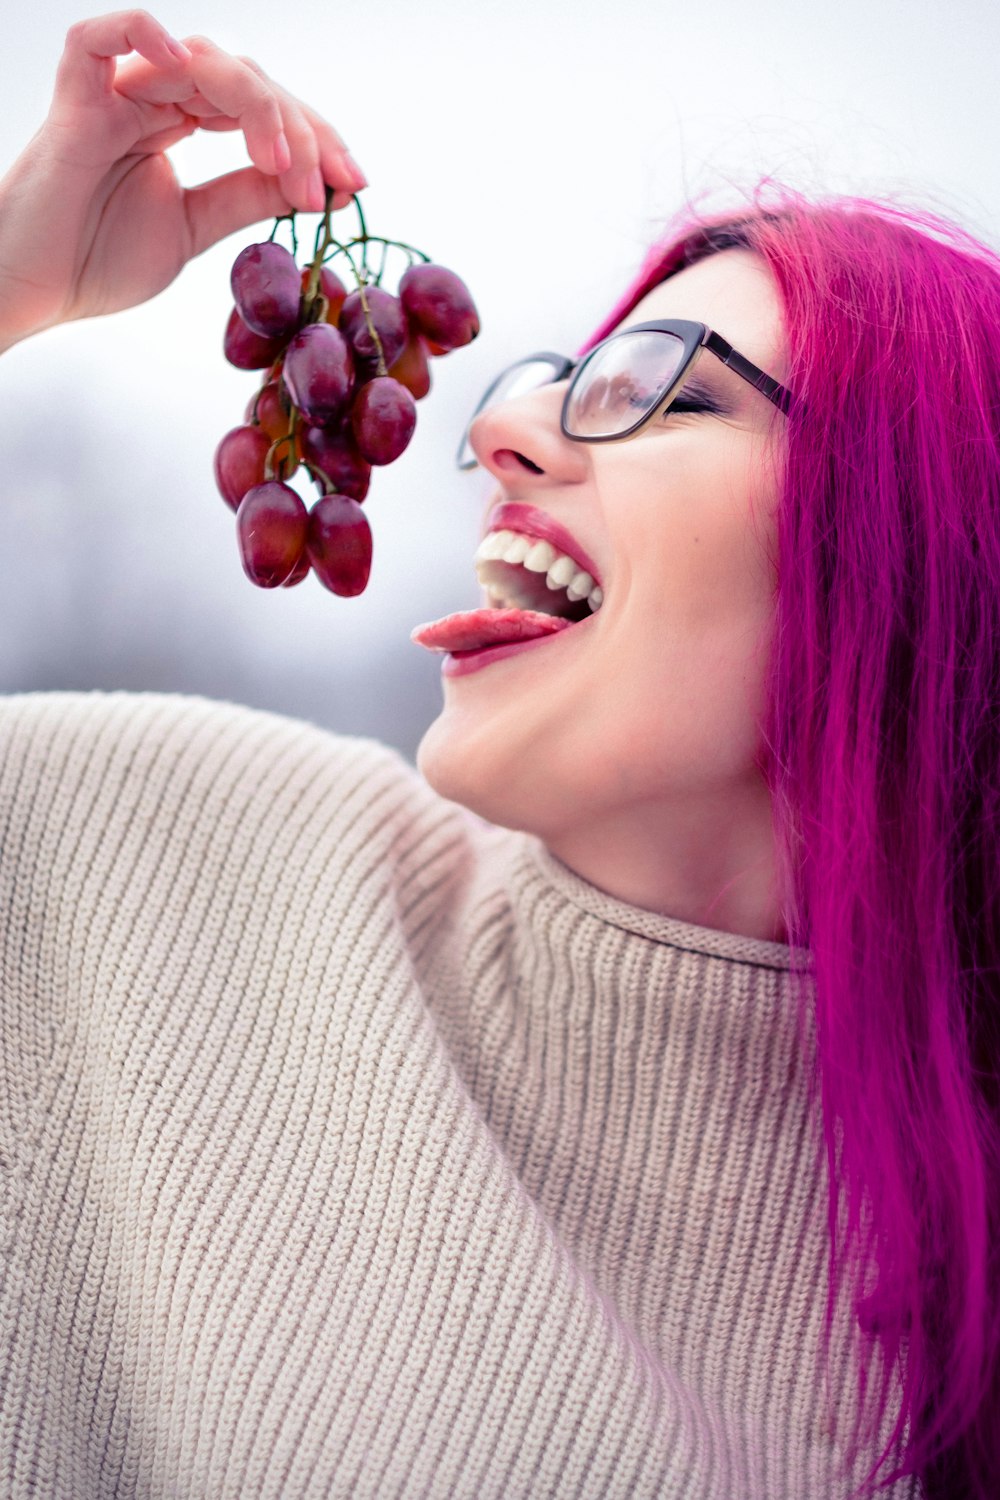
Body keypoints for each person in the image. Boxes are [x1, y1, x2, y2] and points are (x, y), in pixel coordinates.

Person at [0, 13, 997, 1500]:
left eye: (663, 387)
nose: (507, 430)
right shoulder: (133, 854)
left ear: (905, 549)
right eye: (548, 379)